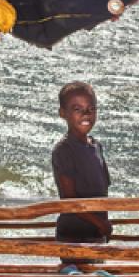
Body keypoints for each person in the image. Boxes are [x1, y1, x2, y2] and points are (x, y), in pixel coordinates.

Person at [51, 82, 111, 251]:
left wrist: (102, 226)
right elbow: (70, 200)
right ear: (63, 113)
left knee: (95, 276)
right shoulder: (64, 150)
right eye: (77, 109)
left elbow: (102, 193)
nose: (86, 114)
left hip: (97, 235)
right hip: (73, 236)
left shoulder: (96, 147)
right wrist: (100, 223)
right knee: (79, 276)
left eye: (91, 109)